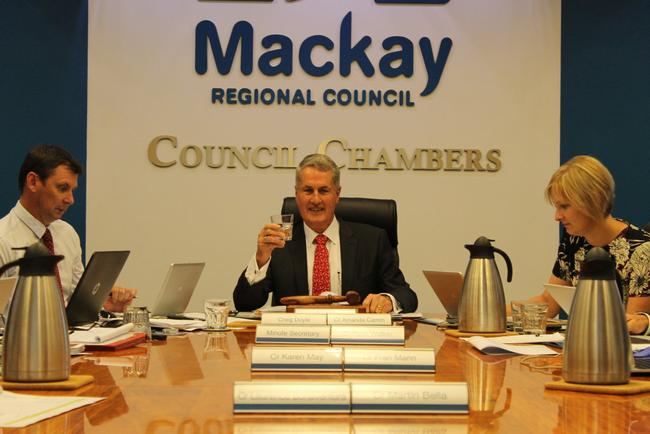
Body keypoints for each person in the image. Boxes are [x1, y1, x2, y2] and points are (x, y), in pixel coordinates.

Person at [233, 153, 418, 313]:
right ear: (296, 194)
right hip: (294, 341)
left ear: (337, 194)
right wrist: (261, 259)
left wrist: (387, 300)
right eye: (307, 190)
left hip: (355, 341)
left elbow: (406, 295)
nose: (315, 199)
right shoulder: (280, 243)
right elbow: (244, 304)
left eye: (323, 190)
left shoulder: (372, 240)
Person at [0, 145, 136, 312]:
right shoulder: (3, 239)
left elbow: (79, 302)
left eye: (72, 190)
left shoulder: (67, 233)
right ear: (33, 181)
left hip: (71, 336)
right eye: (63, 188)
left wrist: (104, 306)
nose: (70, 200)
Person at [530, 155, 650, 334]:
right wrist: (492, 311)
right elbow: (549, 303)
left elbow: (628, 327)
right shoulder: (573, 240)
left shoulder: (642, 250)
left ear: (592, 201)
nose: (557, 216)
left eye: (564, 206)